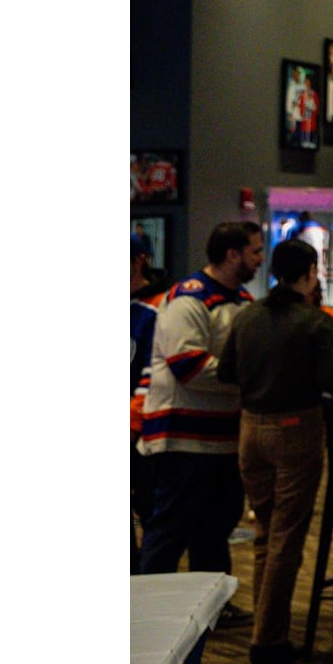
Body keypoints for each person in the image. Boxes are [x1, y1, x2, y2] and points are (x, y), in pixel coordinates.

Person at [215, 238, 333, 664]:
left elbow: (226, 372)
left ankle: (266, 629)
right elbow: (332, 380)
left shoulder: (247, 315)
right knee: (286, 538)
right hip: (296, 429)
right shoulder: (315, 321)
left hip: (251, 429)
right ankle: (268, 640)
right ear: (310, 273)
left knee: (266, 534)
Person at [138, 221, 263, 632]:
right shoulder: (188, 298)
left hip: (223, 437)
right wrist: (251, 375)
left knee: (215, 527)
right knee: (170, 529)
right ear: (233, 255)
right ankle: (146, 608)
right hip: (182, 437)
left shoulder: (243, 300)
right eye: (255, 251)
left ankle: (212, 605)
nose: (260, 258)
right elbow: (188, 365)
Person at [131, 233, 171, 573]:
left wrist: (131, 423)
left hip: (145, 432)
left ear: (139, 260)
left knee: (152, 513)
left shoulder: (159, 306)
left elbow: (153, 371)